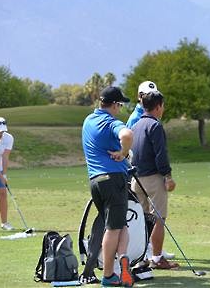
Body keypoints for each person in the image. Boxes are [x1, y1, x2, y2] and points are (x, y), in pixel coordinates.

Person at [82, 86, 134, 287]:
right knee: (113, 228)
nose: (120, 109)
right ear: (114, 104)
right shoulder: (111, 122)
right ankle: (109, 275)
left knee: (119, 224)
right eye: (120, 105)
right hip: (113, 180)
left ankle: (123, 259)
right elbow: (127, 134)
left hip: (95, 182)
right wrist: (123, 151)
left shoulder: (88, 120)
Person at [130, 90, 180, 270]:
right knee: (158, 219)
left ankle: (142, 258)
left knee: (142, 220)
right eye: (163, 106)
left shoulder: (135, 125)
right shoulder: (155, 126)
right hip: (153, 179)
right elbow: (161, 155)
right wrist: (168, 176)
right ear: (158, 107)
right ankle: (157, 259)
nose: (163, 109)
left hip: (137, 180)